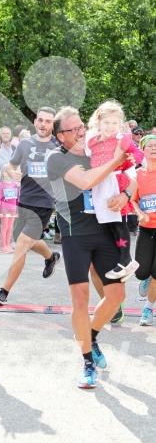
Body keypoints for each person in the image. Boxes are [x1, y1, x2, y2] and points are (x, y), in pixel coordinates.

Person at [47, 106, 132, 389]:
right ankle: (86, 362)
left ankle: (91, 334)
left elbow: (132, 173)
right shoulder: (56, 158)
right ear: (61, 136)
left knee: (117, 294)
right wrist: (117, 158)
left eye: (83, 126)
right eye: (74, 130)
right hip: (75, 235)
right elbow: (85, 181)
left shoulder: (97, 146)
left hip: (106, 231)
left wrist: (126, 193)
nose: (82, 132)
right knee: (80, 298)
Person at [0, 106, 59, 306]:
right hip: (24, 200)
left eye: (48, 121)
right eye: (41, 120)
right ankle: (50, 256)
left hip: (44, 203)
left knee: (21, 244)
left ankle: (3, 291)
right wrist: (11, 173)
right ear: (35, 121)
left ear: (53, 124)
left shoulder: (59, 144)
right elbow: (8, 166)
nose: (43, 124)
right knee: (27, 240)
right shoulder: (24, 144)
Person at [86, 100, 143, 280]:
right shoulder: (92, 141)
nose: (110, 127)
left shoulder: (122, 139)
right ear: (98, 122)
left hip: (115, 183)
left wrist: (134, 158)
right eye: (106, 122)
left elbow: (137, 152)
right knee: (110, 224)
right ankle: (124, 262)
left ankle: (126, 260)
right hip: (99, 184)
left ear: (120, 124)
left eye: (114, 123)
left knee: (119, 223)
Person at [131, 135, 156, 326]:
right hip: (146, 228)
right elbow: (132, 200)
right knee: (141, 272)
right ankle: (144, 278)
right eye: (150, 146)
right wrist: (139, 214)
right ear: (143, 150)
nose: (154, 148)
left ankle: (148, 309)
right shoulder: (138, 174)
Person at [0, 163, 19, 253]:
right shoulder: (1, 185)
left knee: (10, 228)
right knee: (4, 228)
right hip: (4, 210)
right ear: (3, 173)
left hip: (13, 210)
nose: (8, 174)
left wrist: (18, 209)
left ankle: (8, 244)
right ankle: (3, 245)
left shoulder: (15, 185)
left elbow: (17, 198)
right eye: (6, 172)